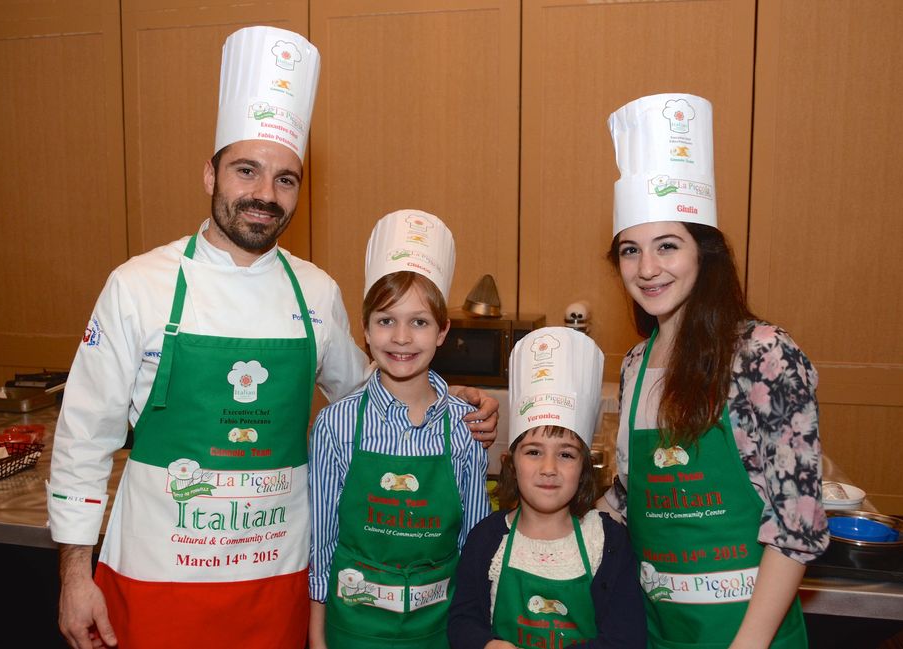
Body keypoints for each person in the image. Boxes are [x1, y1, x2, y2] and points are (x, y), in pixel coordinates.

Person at [46, 27, 497, 649]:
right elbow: (83, 439)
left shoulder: (313, 292)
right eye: (246, 171)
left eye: (285, 179)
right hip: (157, 576)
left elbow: (376, 392)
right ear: (210, 174)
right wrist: (74, 574)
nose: (264, 194)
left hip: (279, 581)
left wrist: (459, 402)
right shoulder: (138, 286)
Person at [596, 93, 828, 648]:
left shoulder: (764, 355)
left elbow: (798, 523)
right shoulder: (635, 364)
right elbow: (633, 499)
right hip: (660, 632)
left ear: (705, 253)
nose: (647, 269)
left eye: (667, 246)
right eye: (631, 251)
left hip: (749, 634)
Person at [308, 209, 491, 649]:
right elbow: (321, 545)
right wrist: (317, 639)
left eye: (420, 322)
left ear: (444, 331)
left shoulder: (465, 426)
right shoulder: (336, 424)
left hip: (439, 628)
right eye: (386, 320)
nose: (402, 338)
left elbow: (475, 542)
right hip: (353, 629)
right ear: (365, 331)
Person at [449, 326, 647, 649]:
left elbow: (627, 639)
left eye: (566, 454)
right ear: (511, 461)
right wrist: (485, 645)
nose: (549, 468)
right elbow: (462, 620)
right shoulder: (485, 540)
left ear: (584, 465)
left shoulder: (609, 544)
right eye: (534, 451)